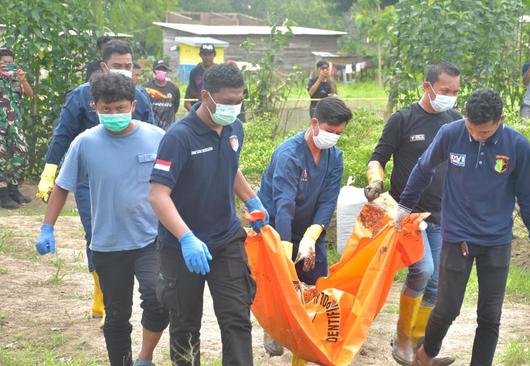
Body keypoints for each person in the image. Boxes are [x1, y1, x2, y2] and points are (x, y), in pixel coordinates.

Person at [396, 88, 530, 366]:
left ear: (501, 120)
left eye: (484, 132)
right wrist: (405, 206)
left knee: (490, 316)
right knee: (447, 309)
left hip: (497, 241)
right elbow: (423, 168)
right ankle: (425, 355)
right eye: (471, 127)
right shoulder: (451, 134)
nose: (475, 135)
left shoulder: (517, 146)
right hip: (458, 238)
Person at [34, 72, 168, 366]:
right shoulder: (85, 143)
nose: (114, 114)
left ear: (133, 105)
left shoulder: (157, 138)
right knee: (117, 316)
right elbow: (62, 187)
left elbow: (177, 182)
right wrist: (47, 227)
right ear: (94, 107)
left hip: (150, 239)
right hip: (107, 244)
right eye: (106, 109)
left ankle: (145, 358)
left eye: (120, 108)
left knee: (159, 300)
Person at [149, 63, 266, 366]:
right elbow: (158, 195)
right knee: (185, 326)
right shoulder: (178, 137)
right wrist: (186, 238)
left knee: (237, 319)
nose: (233, 108)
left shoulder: (234, 129)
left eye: (239, 101)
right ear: (204, 96)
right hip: (182, 248)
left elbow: (230, 166)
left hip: (226, 238)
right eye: (227, 102)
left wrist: (253, 200)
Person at [365, 62, 461, 366]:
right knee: (424, 271)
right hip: (407, 217)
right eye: (445, 90)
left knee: (435, 286)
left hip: (442, 217)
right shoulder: (402, 119)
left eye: (456, 91)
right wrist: (375, 183)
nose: (451, 96)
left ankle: (421, 349)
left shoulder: (455, 121)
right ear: (427, 87)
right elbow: (377, 158)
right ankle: (402, 339)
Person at [257, 96, 352, 356]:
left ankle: (306, 347)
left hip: (311, 225)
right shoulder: (289, 154)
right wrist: (286, 250)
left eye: (339, 133)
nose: (333, 137)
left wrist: (312, 236)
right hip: (279, 224)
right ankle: (274, 327)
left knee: (315, 284)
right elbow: (283, 203)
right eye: (330, 131)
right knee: (282, 281)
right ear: (314, 123)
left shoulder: (335, 157)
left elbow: (328, 199)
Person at [0, 47, 34, 209]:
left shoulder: (15, 79)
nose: (7, 65)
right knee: (1, 160)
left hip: (14, 126)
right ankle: (3, 194)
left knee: (21, 155)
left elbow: (30, 94)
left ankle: (13, 189)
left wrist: (23, 79)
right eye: (4, 62)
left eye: (10, 62)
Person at [143, 60, 180, 130]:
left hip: (168, 129)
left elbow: (175, 108)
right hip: (151, 128)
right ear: (154, 70)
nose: (161, 71)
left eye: (163, 69)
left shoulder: (174, 88)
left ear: (167, 71)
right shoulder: (146, 88)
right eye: (158, 69)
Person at [184, 44, 216, 112]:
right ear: (200, 55)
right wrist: (194, 114)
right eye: (204, 54)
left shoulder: (219, 71)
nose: (207, 57)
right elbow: (187, 100)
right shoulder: (195, 72)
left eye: (210, 54)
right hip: (198, 109)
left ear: (214, 55)